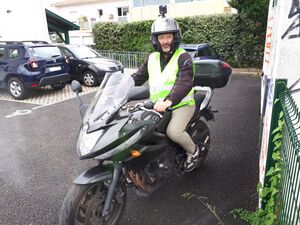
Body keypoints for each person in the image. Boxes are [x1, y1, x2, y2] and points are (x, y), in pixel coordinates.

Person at [131, 16, 200, 172]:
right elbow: (138, 77)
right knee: (139, 128)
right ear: (155, 40)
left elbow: (185, 81)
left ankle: (193, 151)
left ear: (175, 38)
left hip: (181, 104)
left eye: (169, 36)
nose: (165, 41)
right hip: (157, 105)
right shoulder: (152, 58)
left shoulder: (183, 57)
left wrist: (169, 101)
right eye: (161, 37)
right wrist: (119, 88)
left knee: (173, 132)